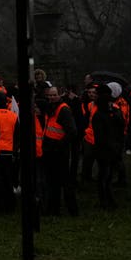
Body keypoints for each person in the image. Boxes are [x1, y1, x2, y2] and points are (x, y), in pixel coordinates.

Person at [41, 86, 79, 216]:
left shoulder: (63, 110)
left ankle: (72, 210)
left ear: (59, 95)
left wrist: (59, 145)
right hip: (50, 149)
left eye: (54, 95)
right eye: (50, 95)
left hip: (59, 151)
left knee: (64, 181)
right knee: (53, 182)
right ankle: (54, 209)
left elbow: (72, 131)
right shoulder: (50, 108)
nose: (52, 97)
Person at [0, 90, 19, 214]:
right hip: (9, 152)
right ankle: (10, 205)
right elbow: (17, 135)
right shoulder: (13, 116)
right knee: (9, 179)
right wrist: (14, 151)